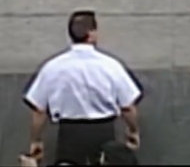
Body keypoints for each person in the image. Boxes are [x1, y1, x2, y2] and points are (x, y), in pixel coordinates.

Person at [25, 11, 142, 166]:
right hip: (103, 131)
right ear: (91, 34)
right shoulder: (111, 66)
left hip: (69, 134)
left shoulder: (52, 67)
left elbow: (39, 110)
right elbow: (127, 107)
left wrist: (36, 140)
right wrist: (133, 131)